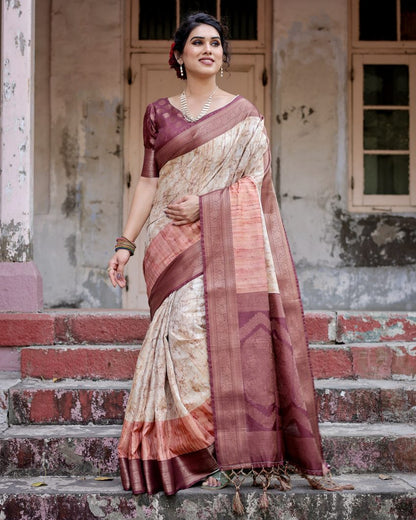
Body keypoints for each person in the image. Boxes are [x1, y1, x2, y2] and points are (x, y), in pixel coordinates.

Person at [107, 11, 352, 514]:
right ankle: (186, 450)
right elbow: (149, 181)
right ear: (179, 54)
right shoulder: (158, 113)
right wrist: (125, 244)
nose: (208, 49)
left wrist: (206, 205)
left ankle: (217, 447)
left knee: (203, 328)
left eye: (216, 43)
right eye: (197, 42)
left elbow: (253, 186)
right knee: (179, 335)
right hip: (169, 242)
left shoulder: (244, 115)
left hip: (221, 237)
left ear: (223, 55)